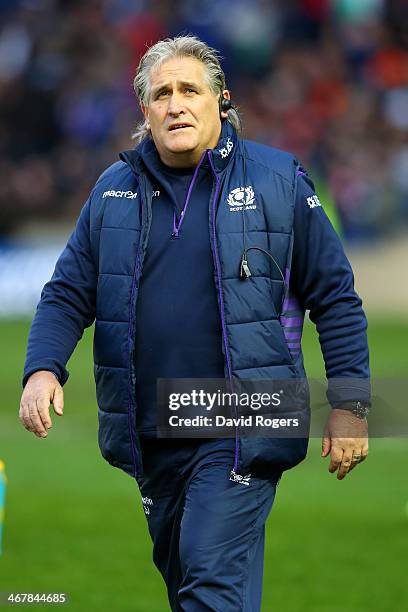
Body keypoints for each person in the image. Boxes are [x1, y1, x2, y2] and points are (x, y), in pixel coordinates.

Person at [20, 35, 370, 611]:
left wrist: (352, 405)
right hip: (152, 423)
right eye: (161, 93)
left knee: (208, 581)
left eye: (189, 90)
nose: (175, 104)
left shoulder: (278, 181)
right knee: (199, 585)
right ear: (145, 111)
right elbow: (65, 294)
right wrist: (42, 369)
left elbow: (334, 296)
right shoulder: (112, 192)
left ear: (221, 102)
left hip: (248, 415)